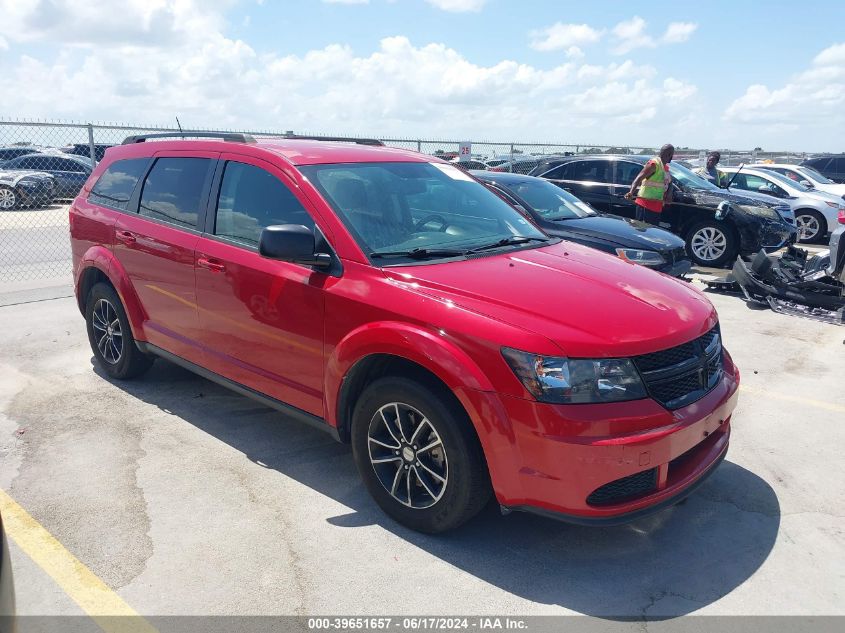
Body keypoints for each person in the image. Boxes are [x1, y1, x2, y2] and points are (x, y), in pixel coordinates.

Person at [625, 144, 674, 225]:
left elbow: (669, 183)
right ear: (669, 155)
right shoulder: (654, 164)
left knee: (652, 234)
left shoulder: (665, 167)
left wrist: (668, 195)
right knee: (643, 231)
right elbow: (638, 178)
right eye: (672, 154)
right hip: (645, 205)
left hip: (656, 205)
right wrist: (631, 192)